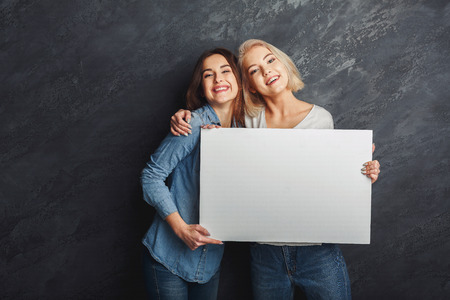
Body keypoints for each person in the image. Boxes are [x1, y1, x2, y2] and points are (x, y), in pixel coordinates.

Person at [170, 39, 380, 300]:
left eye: (270, 60)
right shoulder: (245, 121)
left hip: (318, 250)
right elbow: (216, 120)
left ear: (283, 64)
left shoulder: (321, 118)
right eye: (254, 70)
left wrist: (363, 175)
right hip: (265, 254)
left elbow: (330, 184)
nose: (266, 70)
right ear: (249, 85)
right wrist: (185, 115)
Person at [141, 47, 245, 300]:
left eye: (225, 71)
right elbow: (150, 176)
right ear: (201, 88)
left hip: (209, 264)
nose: (218, 79)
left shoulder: (244, 131)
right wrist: (180, 229)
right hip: (168, 257)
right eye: (208, 75)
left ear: (239, 81)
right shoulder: (194, 123)